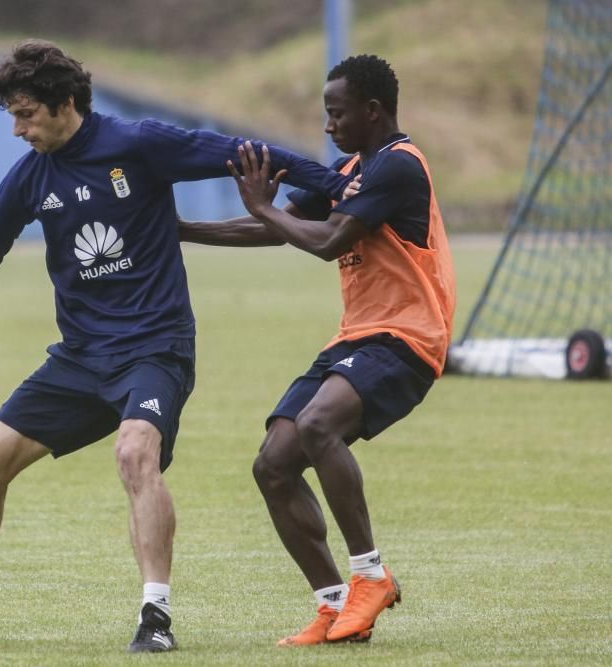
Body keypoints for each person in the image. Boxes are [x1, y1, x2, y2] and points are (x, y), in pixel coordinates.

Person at [0, 39, 350, 652]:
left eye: (25, 115)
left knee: (134, 454)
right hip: (79, 358)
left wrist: (339, 184)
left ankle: (156, 618)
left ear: (64, 103)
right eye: (12, 116)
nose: (17, 130)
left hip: (156, 349)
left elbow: (247, 154)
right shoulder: (29, 178)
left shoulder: (139, 145)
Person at [179, 54, 455, 645]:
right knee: (273, 465)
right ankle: (335, 607)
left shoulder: (397, 168)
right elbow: (272, 227)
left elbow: (328, 241)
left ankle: (371, 575)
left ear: (372, 110)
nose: (328, 126)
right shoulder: (349, 169)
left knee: (318, 424)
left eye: (337, 113)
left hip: (409, 336)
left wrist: (263, 206)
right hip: (357, 335)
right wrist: (177, 228)